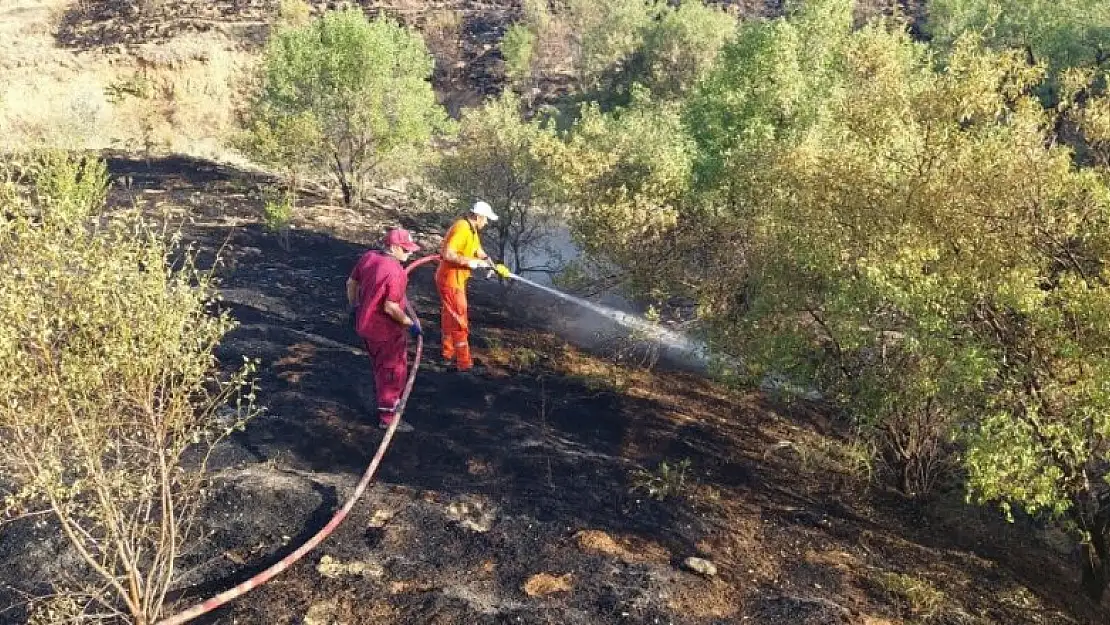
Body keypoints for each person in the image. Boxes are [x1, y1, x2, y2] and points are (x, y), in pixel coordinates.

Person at [347, 228, 423, 431]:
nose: (410, 255)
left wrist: (354, 307)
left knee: (380, 368)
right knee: (392, 372)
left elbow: (351, 283)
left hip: (365, 326)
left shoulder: (369, 258)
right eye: (406, 251)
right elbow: (390, 307)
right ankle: (388, 417)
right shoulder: (396, 272)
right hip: (385, 332)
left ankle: (387, 404)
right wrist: (411, 325)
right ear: (394, 247)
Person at [435, 200, 511, 372]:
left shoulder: (472, 230)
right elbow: (447, 253)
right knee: (460, 320)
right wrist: (471, 263)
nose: (486, 223)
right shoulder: (462, 228)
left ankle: (447, 355)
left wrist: (492, 265)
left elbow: (479, 251)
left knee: (449, 318)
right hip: (451, 280)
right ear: (478, 216)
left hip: (455, 280)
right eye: (485, 219)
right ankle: (464, 364)